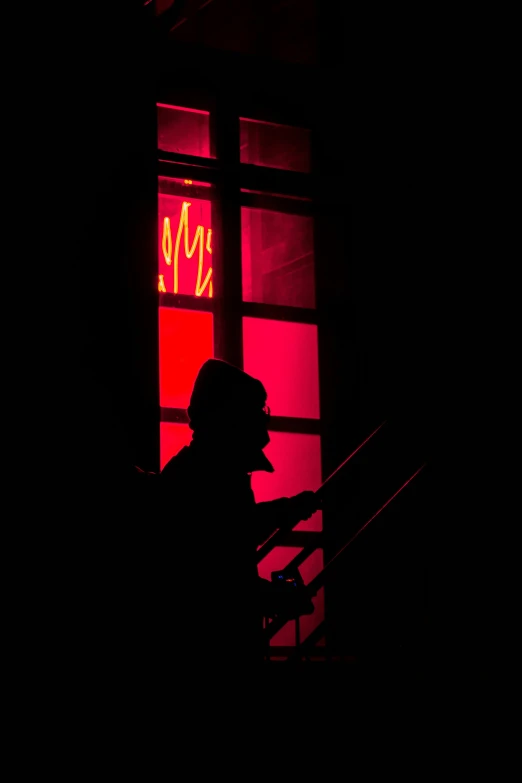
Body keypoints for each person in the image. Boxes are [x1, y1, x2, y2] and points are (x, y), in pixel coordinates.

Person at [159, 359, 320, 665]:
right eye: (257, 411)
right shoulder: (212, 479)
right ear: (230, 417)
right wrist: (276, 598)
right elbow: (217, 581)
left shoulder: (196, 473)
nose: (263, 422)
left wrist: (289, 509)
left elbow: (229, 536)